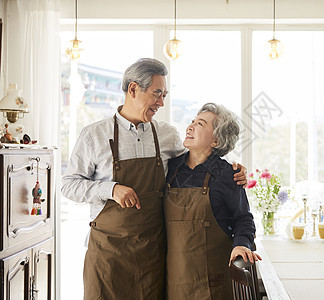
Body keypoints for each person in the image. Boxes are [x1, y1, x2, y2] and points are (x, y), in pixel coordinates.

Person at [61, 58, 247, 300]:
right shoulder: (94, 135)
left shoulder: (167, 135)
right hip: (107, 258)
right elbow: (69, 184)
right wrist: (111, 189)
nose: (161, 102)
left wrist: (232, 168)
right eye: (157, 94)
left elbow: (198, 160)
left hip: (153, 257)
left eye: (164, 95)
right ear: (133, 89)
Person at [165, 103, 261, 299]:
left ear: (216, 140)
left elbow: (243, 219)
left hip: (214, 284)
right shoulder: (169, 168)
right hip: (173, 282)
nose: (190, 127)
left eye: (200, 124)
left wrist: (242, 243)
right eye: (192, 121)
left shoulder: (228, 174)